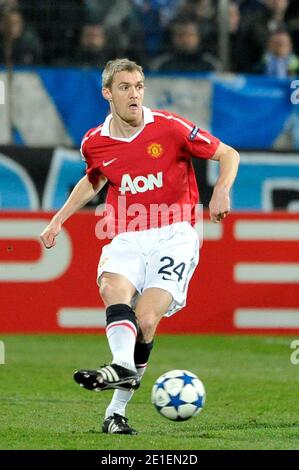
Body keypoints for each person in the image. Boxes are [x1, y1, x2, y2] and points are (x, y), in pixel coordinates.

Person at [40, 58, 240, 435]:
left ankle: (116, 408)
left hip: (176, 233)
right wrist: (58, 219)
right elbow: (94, 179)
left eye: (139, 86)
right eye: (125, 87)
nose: (134, 94)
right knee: (111, 288)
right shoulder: (94, 142)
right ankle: (120, 367)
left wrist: (222, 190)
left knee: (146, 320)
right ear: (108, 94)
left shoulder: (169, 127)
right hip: (127, 232)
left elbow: (229, 154)